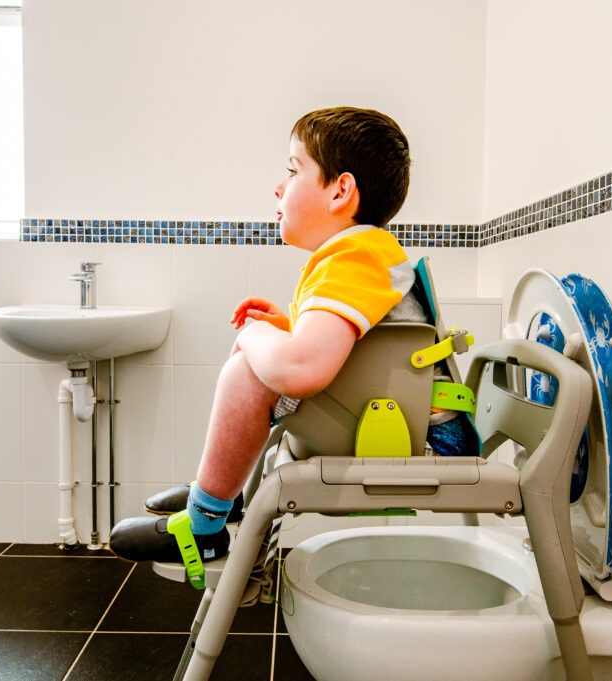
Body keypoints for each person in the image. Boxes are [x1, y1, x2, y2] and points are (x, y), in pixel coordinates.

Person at [109, 106, 423, 563]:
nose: (278, 186)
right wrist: (289, 325)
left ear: (340, 191)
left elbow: (302, 369)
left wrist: (256, 335)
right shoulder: (360, 253)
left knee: (247, 372)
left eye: (294, 170)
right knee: (257, 363)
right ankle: (218, 493)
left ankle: (203, 526)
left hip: (398, 427)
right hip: (386, 412)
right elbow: (346, 348)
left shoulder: (355, 254)